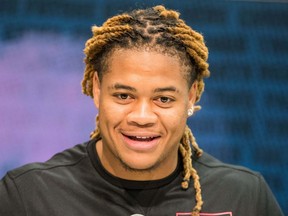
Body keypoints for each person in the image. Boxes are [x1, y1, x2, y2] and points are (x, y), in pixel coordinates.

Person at [0, 5, 283, 216]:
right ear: (97, 89)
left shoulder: (244, 195)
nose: (142, 117)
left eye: (163, 99)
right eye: (124, 95)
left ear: (191, 96)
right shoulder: (27, 195)